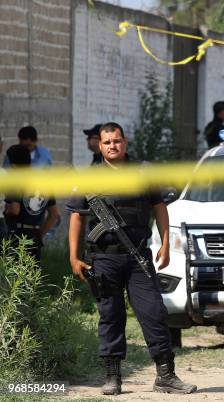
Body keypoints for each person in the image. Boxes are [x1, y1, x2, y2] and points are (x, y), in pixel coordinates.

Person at [67, 122, 196, 395]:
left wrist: (164, 244)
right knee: (110, 317)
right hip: (104, 259)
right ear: (100, 146)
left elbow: (159, 207)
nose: (113, 146)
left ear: (124, 143)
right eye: (107, 142)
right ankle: (112, 377)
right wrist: (73, 257)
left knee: (154, 313)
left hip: (138, 257)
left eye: (117, 141)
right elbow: (77, 217)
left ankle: (166, 375)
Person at [3, 145, 59, 262]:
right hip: (35, 236)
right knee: (32, 275)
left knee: (15, 276)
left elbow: (14, 210)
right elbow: (54, 214)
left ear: (12, 164)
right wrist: (40, 234)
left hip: (18, 237)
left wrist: (7, 212)